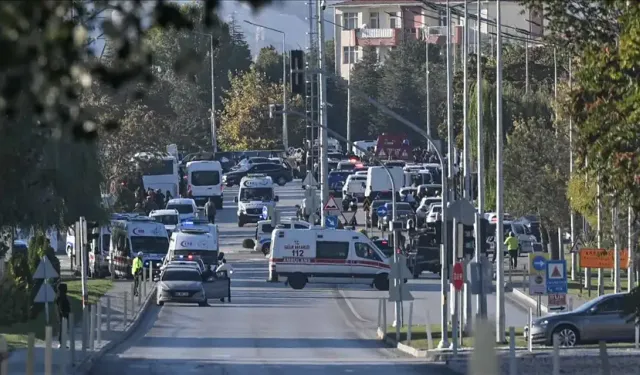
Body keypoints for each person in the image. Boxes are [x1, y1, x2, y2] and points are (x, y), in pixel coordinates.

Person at [55, 283, 70, 348]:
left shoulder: (61, 296)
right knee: (62, 329)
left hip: (63, 315)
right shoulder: (61, 296)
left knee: (63, 329)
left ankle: (63, 342)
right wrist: (64, 313)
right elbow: (61, 306)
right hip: (63, 315)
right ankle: (61, 343)